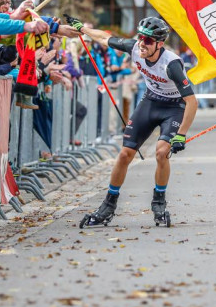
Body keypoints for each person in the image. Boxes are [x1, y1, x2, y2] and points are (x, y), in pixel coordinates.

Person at [69, 16, 198, 228]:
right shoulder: (135, 49)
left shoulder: (171, 64)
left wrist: (181, 134)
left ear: (159, 44)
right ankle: (108, 205)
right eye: (140, 37)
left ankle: (159, 202)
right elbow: (105, 38)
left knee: (161, 152)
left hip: (174, 107)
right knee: (124, 153)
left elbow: (191, 101)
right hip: (151, 101)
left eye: (148, 40)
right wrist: (82, 28)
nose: (142, 43)